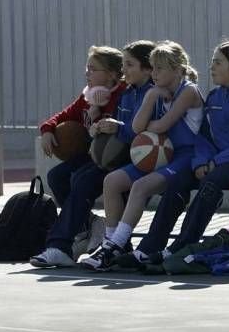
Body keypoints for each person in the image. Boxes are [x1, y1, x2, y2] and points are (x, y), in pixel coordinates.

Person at [148, 39, 229, 263]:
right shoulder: (215, 96)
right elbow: (204, 137)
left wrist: (217, 161)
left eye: (218, 63)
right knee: (179, 179)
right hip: (216, 163)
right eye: (212, 62)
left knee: (214, 179)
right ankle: (151, 246)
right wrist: (200, 161)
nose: (212, 67)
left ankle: (183, 244)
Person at [30, 40, 157, 267]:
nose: (86, 73)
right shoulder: (92, 96)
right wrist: (48, 129)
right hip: (101, 154)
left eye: (92, 68)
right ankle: (88, 226)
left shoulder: (127, 94)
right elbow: (64, 115)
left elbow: (132, 130)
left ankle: (60, 246)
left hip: (124, 157)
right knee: (57, 176)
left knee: (83, 179)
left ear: (110, 75)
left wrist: (106, 124)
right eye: (86, 68)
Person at [81, 41, 204, 271]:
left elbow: (161, 125)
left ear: (177, 70)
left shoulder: (188, 90)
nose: (154, 73)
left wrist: (150, 120)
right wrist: (151, 96)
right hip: (164, 153)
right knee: (112, 181)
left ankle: (115, 245)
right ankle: (111, 242)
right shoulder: (156, 91)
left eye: (159, 68)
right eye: (153, 68)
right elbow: (138, 128)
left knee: (140, 186)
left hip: (186, 157)